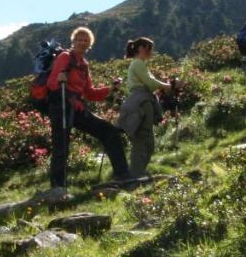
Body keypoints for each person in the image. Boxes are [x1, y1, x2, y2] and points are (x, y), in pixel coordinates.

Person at [45, 26, 131, 193]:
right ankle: (58, 188)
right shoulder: (64, 57)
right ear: (74, 41)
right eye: (79, 39)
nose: (82, 42)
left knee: (109, 131)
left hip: (76, 107)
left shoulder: (84, 65)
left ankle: (122, 174)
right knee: (61, 146)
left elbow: (90, 93)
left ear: (89, 44)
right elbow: (51, 83)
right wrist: (60, 79)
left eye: (85, 40)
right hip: (60, 105)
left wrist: (110, 89)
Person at [117, 37, 172, 178]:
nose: (151, 52)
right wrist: (166, 86)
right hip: (142, 101)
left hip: (141, 100)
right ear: (141, 48)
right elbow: (150, 82)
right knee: (143, 137)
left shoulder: (138, 64)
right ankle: (136, 173)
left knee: (145, 138)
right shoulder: (138, 64)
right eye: (149, 49)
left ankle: (139, 171)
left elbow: (150, 81)